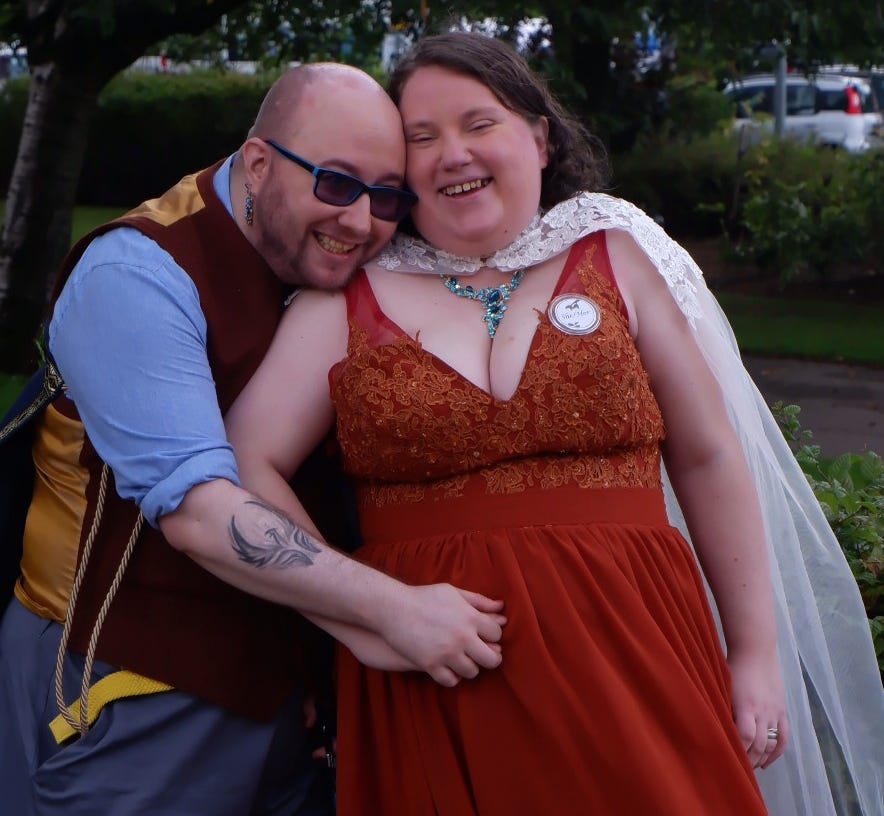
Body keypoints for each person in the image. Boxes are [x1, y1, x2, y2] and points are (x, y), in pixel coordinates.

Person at [226, 32, 884, 816]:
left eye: (479, 124)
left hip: (640, 663)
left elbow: (709, 457)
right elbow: (246, 460)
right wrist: (361, 606)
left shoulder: (620, 256)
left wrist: (754, 655)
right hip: (436, 683)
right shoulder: (344, 300)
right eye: (421, 139)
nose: (452, 155)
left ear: (538, 136)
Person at [0, 61, 508, 816]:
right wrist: (392, 613)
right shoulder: (136, 273)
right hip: (130, 687)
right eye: (335, 184)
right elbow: (200, 511)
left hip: (286, 687)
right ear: (261, 162)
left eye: (386, 196)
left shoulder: (337, 260)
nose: (362, 221)